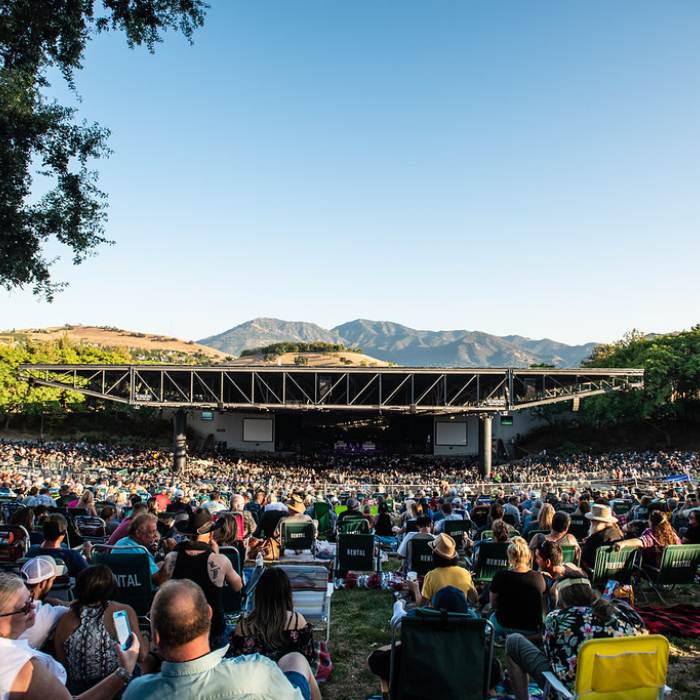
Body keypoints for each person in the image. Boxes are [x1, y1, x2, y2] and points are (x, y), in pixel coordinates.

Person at [123, 579, 320, 700]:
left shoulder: (137, 692)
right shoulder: (256, 672)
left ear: (156, 637)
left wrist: (137, 672)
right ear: (208, 614)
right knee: (296, 660)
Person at [505, 571, 645, 700]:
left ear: (561, 596)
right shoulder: (618, 614)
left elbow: (551, 657)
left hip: (573, 693)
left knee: (513, 641)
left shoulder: (556, 618)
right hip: (621, 691)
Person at [0, 572, 139, 699]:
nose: (33, 607)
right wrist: (123, 673)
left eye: (31, 599)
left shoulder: (66, 620)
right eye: (24, 607)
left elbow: (63, 660)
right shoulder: (23, 666)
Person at [53, 565, 145, 694]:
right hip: (116, 687)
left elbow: (62, 666)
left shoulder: (65, 620)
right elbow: (141, 655)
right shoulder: (121, 611)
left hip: (79, 692)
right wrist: (145, 637)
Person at [160, 509, 243, 649]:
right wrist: (216, 554)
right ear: (210, 534)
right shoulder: (219, 561)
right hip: (213, 631)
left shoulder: (172, 558)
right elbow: (238, 586)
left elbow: (161, 586)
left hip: (180, 628)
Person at [229, 567, 315, 665]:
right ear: (287, 594)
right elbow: (308, 659)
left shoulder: (243, 627)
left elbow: (236, 664)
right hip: (288, 677)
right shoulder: (296, 621)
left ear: (259, 594)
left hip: (256, 679)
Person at [489, 537, 546, 637]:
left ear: (509, 556)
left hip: (504, 626)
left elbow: (493, 605)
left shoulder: (500, 576)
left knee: (492, 616)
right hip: (531, 629)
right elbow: (542, 607)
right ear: (528, 556)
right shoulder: (539, 577)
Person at [408, 533, 477, 607]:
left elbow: (421, 606)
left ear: (434, 555)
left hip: (437, 617)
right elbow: (474, 599)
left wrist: (416, 589)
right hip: (461, 617)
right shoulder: (465, 573)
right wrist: (469, 580)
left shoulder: (431, 576)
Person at [18, 556, 69, 649]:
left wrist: (46, 599)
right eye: (52, 580)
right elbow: (76, 608)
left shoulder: (7, 602)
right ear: (42, 584)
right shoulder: (51, 613)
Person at [26, 514, 92, 578]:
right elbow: (90, 577)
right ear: (64, 532)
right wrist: (88, 556)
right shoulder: (71, 556)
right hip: (64, 588)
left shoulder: (32, 550)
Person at [113, 513, 171, 583]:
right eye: (151, 532)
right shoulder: (140, 552)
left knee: (161, 563)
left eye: (155, 531)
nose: (155, 536)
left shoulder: (122, 542)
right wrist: (169, 555)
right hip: (141, 590)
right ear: (138, 533)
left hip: (121, 586)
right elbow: (160, 580)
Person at [614, 510, 681, 567]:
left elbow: (641, 541)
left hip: (654, 570)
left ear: (650, 521)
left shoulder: (652, 535)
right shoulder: (673, 534)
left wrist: (623, 543)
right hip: (672, 568)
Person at [580, 504, 624, 572]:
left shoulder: (595, 539)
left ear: (596, 522)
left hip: (594, 575)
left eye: (592, 521)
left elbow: (584, 559)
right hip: (617, 573)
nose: (591, 523)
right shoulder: (619, 534)